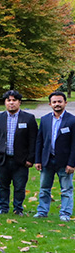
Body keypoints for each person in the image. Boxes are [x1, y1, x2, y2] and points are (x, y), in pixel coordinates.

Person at [0, 90, 38, 215]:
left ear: (19, 102)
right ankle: (3, 208)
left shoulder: (29, 118)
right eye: (8, 100)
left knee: (19, 187)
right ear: (5, 102)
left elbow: (33, 140)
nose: (11, 103)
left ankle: (18, 208)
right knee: (3, 186)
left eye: (14, 100)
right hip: (2, 159)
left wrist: (31, 158)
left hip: (21, 160)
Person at [34, 91, 75, 221]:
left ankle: (65, 213)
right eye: (54, 102)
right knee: (44, 188)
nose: (57, 104)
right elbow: (40, 141)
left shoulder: (72, 120)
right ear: (50, 104)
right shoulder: (45, 119)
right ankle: (42, 211)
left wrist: (72, 163)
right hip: (47, 160)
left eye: (59, 101)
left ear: (65, 103)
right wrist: (38, 160)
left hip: (65, 162)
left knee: (66, 189)